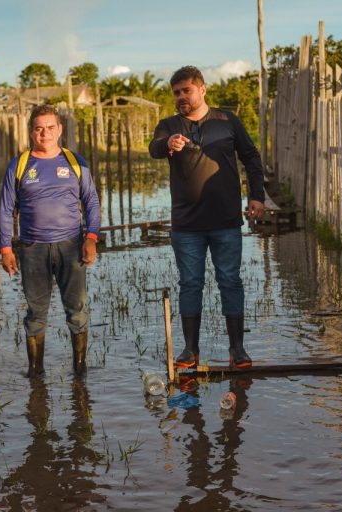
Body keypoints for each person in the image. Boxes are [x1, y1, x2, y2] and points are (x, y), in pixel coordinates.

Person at [148, 65, 265, 369]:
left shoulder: (227, 120)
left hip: (226, 220)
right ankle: (190, 350)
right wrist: (167, 144)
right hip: (187, 225)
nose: (180, 97)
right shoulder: (169, 125)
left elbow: (251, 157)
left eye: (186, 90)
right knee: (190, 283)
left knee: (230, 281)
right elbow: (154, 148)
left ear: (202, 89)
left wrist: (256, 196)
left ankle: (237, 350)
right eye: (176, 93)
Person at [0, 104, 100, 378]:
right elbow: (6, 208)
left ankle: (80, 371)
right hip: (32, 249)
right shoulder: (19, 165)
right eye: (39, 129)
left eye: (50, 128)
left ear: (60, 130)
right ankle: (35, 373)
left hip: (71, 246)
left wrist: (91, 238)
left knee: (77, 310)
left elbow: (91, 201)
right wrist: (6, 249)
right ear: (31, 132)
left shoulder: (75, 162)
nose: (45, 134)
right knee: (35, 313)